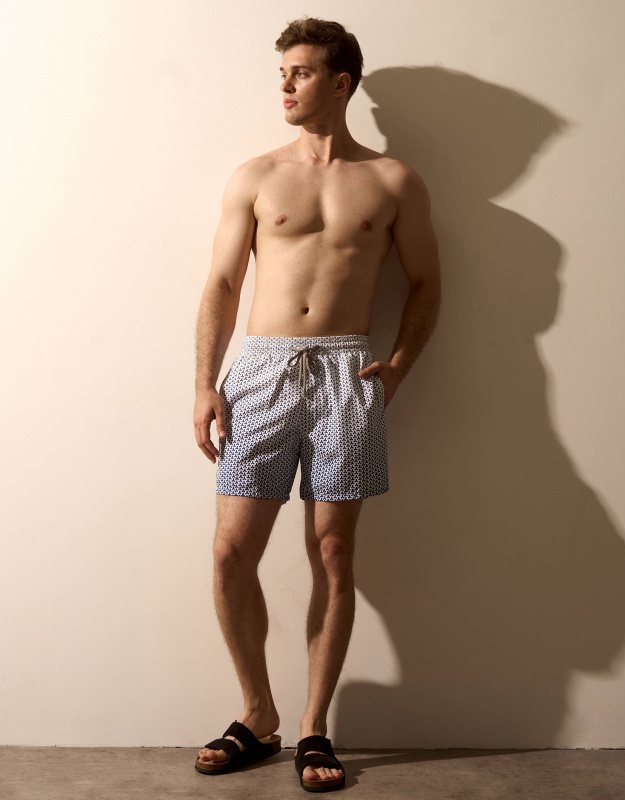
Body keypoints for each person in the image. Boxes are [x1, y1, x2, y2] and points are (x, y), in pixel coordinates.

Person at [192, 17, 440, 792]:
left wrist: (397, 367)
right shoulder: (256, 176)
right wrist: (204, 383)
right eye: (283, 73)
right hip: (261, 370)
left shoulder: (393, 181)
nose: (286, 86)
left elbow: (428, 283)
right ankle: (257, 711)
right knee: (230, 552)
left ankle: (312, 726)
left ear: (341, 82)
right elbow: (222, 285)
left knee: (333, 553)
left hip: (345, 372)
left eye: (299, 73)